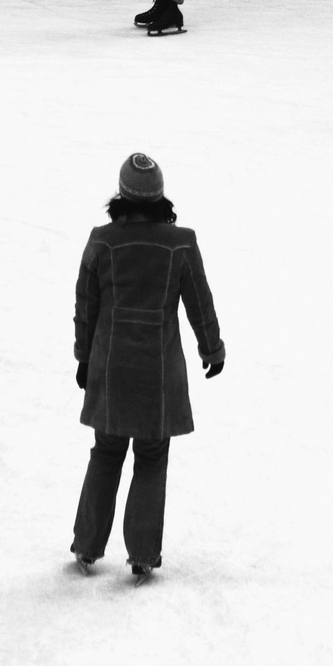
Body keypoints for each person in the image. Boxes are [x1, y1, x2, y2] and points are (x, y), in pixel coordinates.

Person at [71, 153, 224, 583]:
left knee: (107, 452)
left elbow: (87, 307)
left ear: (121, 194)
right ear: (159, 195)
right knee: (151, 458)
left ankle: (87, 546)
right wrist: (212, 350)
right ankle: (141, 556)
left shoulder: (102, 241)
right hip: (159, 376)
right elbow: (200, 302)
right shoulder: (180, 243)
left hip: (111, 368)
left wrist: (84, 357)